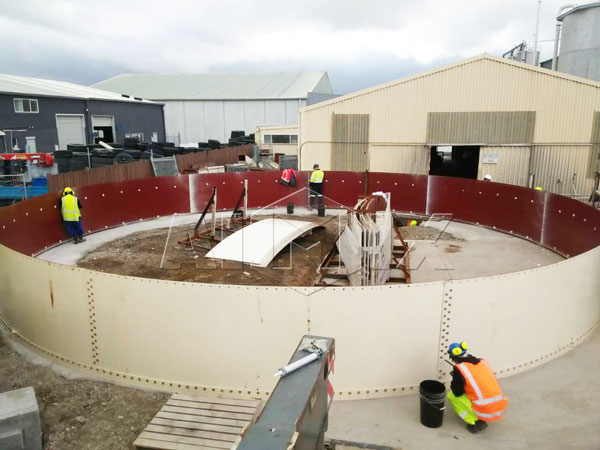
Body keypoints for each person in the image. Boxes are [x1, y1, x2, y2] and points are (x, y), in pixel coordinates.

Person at [446, 341, 508, 434]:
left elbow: (457, 392)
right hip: (499, 404)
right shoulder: (483, 362)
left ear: (453, 357)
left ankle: (476, 421)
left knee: (451, 395)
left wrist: (456, 378)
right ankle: (481, 414)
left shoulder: (460, 369)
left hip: (485, 409)